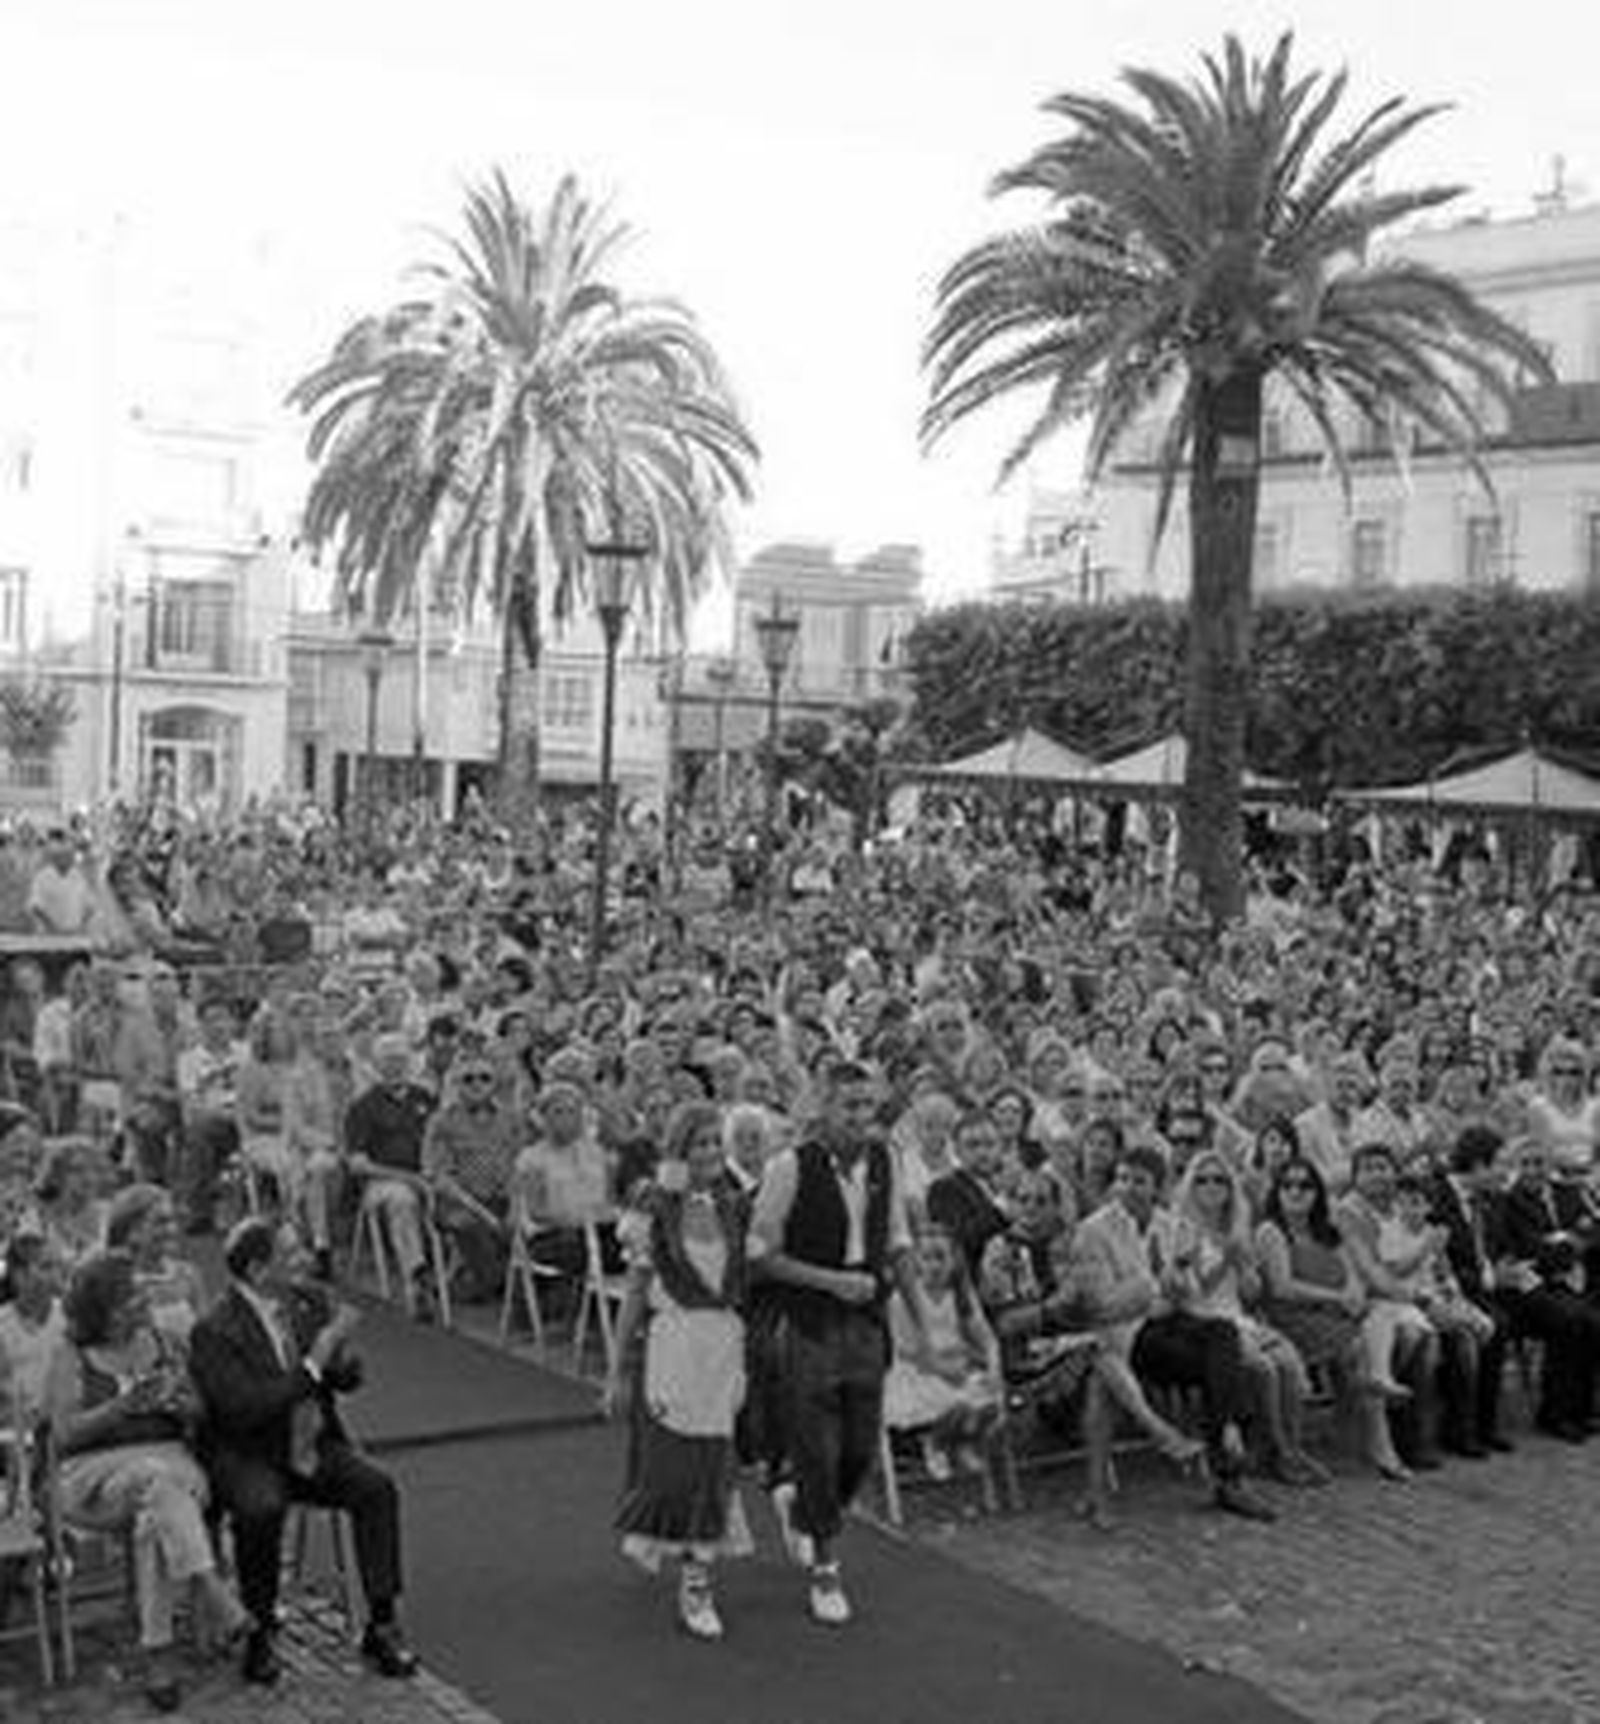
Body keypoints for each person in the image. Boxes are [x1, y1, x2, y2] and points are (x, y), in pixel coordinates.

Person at [189, 1218, 419, 1685]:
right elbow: (244, 1411)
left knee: (376, 1488)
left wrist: (340, 1361)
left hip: (311, 1444)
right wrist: (318, 1358)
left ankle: (382, 1622)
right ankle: (259, 1630)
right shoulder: (215, 1329)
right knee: (261, 1508)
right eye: (290, 1254)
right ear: (257, 1269)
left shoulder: (308, 1301)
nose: (305, 1260)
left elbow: (346, 1378)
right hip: (248, 1452)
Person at [749, 1056, 931, 1626]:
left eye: (868, 1106)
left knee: (857, 1448)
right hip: (808, 1323)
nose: (860, 1117)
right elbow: (760, 1257)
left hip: (867, 1322)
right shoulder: (789, 1168)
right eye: (849, 1105)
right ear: (822, 1106)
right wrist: (832, 1281)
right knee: (817, 1445)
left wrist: (923, 1321)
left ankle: (804, 1503)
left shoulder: (885, 1159)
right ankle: (826, 1564)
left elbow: (898, 1242)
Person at [47, 1249, 251, 1712]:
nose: (144, 1303)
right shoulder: (72, 1355)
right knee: (156, 1487)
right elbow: (62, 1434)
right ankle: (209, 1587)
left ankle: (160, 1651)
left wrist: (184, 1404)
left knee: (154, 1515)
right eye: (133, 1297)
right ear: (105, 1309)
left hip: (170, 1464)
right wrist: (120, 1407)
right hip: (94, 1477)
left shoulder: (165, 1342)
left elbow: (202, 1413)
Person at [605, 1101, 753, 1641]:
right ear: (680, 1150)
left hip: (723, 1344)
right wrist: (616, 1371)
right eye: (700, 1144)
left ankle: (698, 1576)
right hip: (672, 1343)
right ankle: (679, 1550)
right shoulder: (655, 1206)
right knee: (677, 1462)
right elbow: (636, 1294)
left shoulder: (734, 1206)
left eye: (717, 1142)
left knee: (716, 1460)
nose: (711, 1153)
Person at [1072, 1144, 1275, 1521]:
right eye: (1121, 1179)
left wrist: (1180, 1285)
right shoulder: (1092, 1231)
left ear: (1157, 1186)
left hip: (1170, 1323)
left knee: (1223, 1333)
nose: (1127, 1188)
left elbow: (1189, 1295)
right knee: (1224, 1362)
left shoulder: (1172, 1226)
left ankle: (1223, 1442)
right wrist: (1151, 1288)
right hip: (1127, 1335)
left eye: (1138, 1181)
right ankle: (1228, 1465)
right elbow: (1099, 1308)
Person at [883, 1222, 1003, 1481]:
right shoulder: (903, 1299)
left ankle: (960, 1443)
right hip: (917, 1372)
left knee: (991, 1404)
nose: (935, 1266)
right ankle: (936, 1444)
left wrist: (994, 1367)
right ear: (917, 1261)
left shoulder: (961, 1295)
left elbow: (987, 1339)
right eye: (928, 1258)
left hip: (956, 1366)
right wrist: (945, 1370)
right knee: (958, 1403)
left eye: (942, 1257)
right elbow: (908, 1352)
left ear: (954, 1260)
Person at [344, 1033, 440, 1318]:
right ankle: (416, 1278)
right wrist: (405, 1177)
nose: (396, 1065)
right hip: (381, 1181)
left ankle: (459, 1276)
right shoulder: (363, 1106)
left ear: (410, 1062)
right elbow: (357, 1164)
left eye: (401, 1059)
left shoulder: (426, 1098)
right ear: (376, 1065)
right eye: (389, 1060)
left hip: (428, 1174)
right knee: (403, 1200)